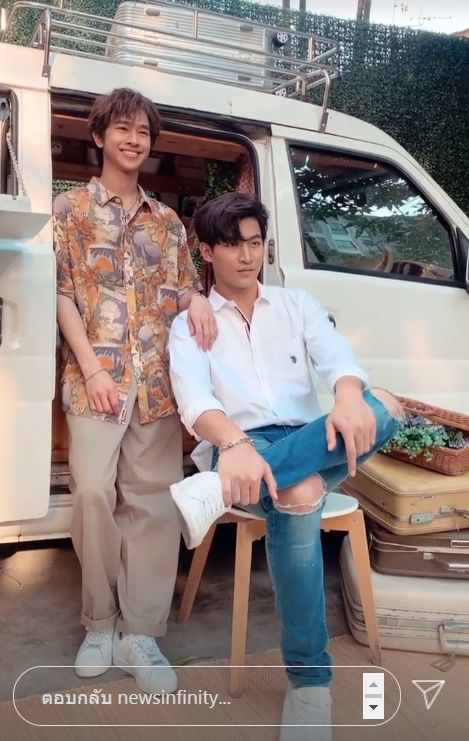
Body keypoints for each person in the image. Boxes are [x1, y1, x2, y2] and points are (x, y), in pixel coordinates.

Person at [167, 192, 403, 740]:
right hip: (238, 446)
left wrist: (347, 394)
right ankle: (310, 683)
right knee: (298, 493)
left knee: (385, 405)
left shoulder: (296, 305)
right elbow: (195, 401)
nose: (247, 256)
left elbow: (338, 357)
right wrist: (235, 444)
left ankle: (211, 492)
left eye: (255, 243)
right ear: (208, 252)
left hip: (305, 436)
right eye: (232, 245)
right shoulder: (191, 324)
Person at [53, 87, 217, 695]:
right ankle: (99, 623)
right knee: (94, 493)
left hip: (156, 385)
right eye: (122, 129)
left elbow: (183, 286)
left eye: (143, 132)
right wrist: (92, 367)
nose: (133, 140)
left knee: (152, 506)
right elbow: (61, 293)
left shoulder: (168, 221)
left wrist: (198, 298)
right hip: (95, 380)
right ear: (99, 137)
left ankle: (139, 631)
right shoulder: (70, 209)